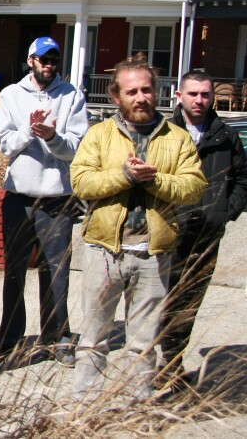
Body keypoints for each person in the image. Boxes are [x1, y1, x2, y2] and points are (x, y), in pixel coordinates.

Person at [70, 59, 206, 401]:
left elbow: (194, 187)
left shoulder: (178, 138)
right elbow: (81, 181)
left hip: (153, 254)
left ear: (157, 91)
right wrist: (125, 176)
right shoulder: (99, 134)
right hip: (104, 251)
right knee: (92, 338)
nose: (141, 97)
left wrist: (154, 179)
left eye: (146, 89)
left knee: (143, 343)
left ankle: (136, 409)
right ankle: (83, 408)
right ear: (116, 95)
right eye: (131, 91)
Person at [0, 37, 89, 369]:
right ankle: (9, 340)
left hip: (56, 199)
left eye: (54, 59)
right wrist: (30, 131)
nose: (49, 64)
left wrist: (52, 137)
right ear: (30, 59)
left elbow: (76, 149)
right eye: (43, 59)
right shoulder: (10, 95)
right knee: (14, 272)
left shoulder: (72, 96)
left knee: (56, 273)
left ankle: (58, 338)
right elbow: (4, 146)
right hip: (18, 197)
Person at [158, 70, 247, 387]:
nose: (200, 100)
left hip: (207, 238)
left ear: (212, 97)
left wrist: (226, 212)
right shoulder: (162, 132)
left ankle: (171, 365)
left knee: (188, 305)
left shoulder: (225, 135)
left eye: (205, 94)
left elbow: (243, 178)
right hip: (167, 234)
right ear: (179, 96)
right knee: (159, 301)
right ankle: (150, 364)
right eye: (193, 93)